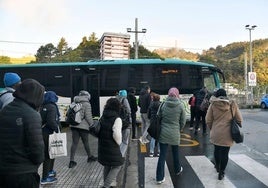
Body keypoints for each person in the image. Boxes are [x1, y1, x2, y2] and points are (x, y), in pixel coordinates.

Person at [0, 79, 45, 188]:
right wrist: (36, 163)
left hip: (4, 172)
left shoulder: (5, 110)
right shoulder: (32, 114)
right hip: (24, 174)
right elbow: (37, 149)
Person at [205, 88, 243, 180]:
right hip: (228, 134)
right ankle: (221, 172)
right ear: (226, 95)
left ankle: (217, 166)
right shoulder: (232, 104)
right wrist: (239, 124)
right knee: (225, 153)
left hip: (216, 132)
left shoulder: (213, 105)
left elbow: (208, 120)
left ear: (217, 95)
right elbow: (239, 119)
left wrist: (212, 128)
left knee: (217, 150)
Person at [156, 87, 186, 184]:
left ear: (168, 94)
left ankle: (159, 178)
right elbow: (183, 120)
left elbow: (158, 116)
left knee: (162, 155)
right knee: (175, 153)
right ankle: (177, 170)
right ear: (177, 94)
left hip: (163, 132)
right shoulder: (180, 105)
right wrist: (179, 128)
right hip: (175, 133)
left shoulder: (163, 104)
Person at [98, 98, 124, 188]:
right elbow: (116, 134)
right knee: (118, 165)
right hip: (112, 146)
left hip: (102, 145)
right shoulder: (117, 119)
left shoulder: (103, 116)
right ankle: (106, 186)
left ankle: (107, 185)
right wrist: (119, 143)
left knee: (107, 165)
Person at [69, 90, 97, 168]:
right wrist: (92, 125)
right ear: (87, 96)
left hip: (74, 125)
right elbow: (88, 116)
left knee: (74, 143)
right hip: (83, 126)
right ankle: (90, 157)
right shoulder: (86, 104)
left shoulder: (74, 102)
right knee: (86, 142)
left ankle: (71, 161)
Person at [40, 91, 61, 185]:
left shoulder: (42, 106)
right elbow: (51, 121)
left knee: (50, 153)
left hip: (43, 133)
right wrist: (58, 129)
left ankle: (49, 171)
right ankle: (45, 177)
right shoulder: (52, 107)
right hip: (49, 134)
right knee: (49, 155)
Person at [116, 89, 131, 157]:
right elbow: (128, 110)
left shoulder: (115, 99)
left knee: (119, 139)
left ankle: (118, 153)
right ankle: (121, 155)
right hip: (124, 122)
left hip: (117, 121)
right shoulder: (124, 100)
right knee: (125, 141)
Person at [147, 92, 160, 157]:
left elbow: (148, 114)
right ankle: (159, 152)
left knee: (153, 137)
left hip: (152, 122)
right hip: (159, 122)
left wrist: (150, 118)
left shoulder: (151, 104)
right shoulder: (160, 105)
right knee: (159, 137)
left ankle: (151, 152)